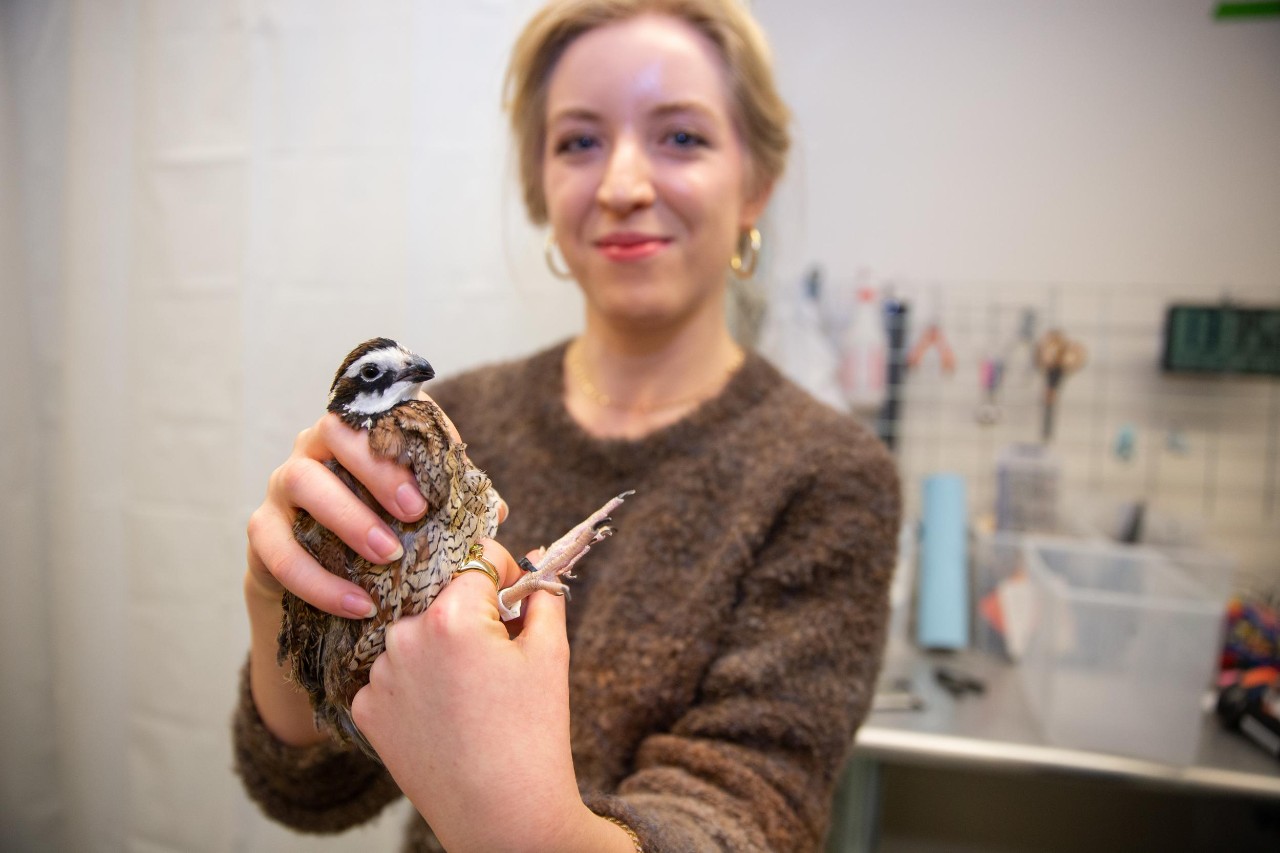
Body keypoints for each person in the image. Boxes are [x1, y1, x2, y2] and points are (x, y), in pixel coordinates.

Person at [233, 1, 901, 850]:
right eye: (580, 141)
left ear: (756, 180)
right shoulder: (445, 428)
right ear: (541, 185)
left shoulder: (829, 476)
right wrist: (284, 606)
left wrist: (526, 822)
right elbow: (312, 784)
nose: (624, 186)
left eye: (682, 137)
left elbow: (749, 817)